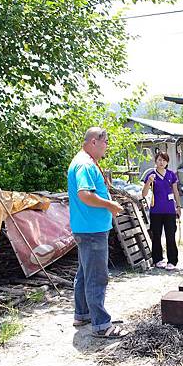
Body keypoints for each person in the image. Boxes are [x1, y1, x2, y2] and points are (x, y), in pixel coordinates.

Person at [68, 127, 127, 338]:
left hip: (86, 227)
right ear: (94, 141)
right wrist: (110, 205)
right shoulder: (84, 164)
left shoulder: (84, 161)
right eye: (105, 142)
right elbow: (84, 194)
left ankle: (82, 314)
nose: (107, 146)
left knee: (85, 274)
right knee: (97, 277)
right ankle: (101, 325)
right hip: (91, 229)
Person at [141, 152, 181, 271]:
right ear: (155, 161)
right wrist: (148, 182)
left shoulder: (171, 174)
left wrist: (178, 206)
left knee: (170, 235)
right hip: (156, 210)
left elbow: (176, 191)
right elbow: (144, 194)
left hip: (169, 210)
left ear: (167, 162)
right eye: (159, 160)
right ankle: (158, 259)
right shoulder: (150, 174)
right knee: (156, 235)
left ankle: (172, 260)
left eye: (164, 160)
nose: (161, 162)